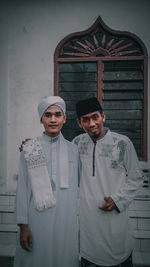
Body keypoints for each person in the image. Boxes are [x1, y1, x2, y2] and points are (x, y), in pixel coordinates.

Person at [73, 97, 143, 267]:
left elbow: (136, 178)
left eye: (95, 117)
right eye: (86, 119)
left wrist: (118, 200)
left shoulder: (122, 143)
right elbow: (57, 158)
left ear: (103, 116)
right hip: (89, 227)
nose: (91, 123)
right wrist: (32, 148)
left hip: (115, 223)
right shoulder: (76, 144)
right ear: (79, 123)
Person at [14, 96, 79, 267]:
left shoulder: (74, 150)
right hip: (37, 220)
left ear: (64, 118)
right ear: (41, 119)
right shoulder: (29, 149)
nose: (52, 119)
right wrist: (23, 225)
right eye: (47, 115)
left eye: (58, 114)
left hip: (66, 221)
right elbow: (22, 188)